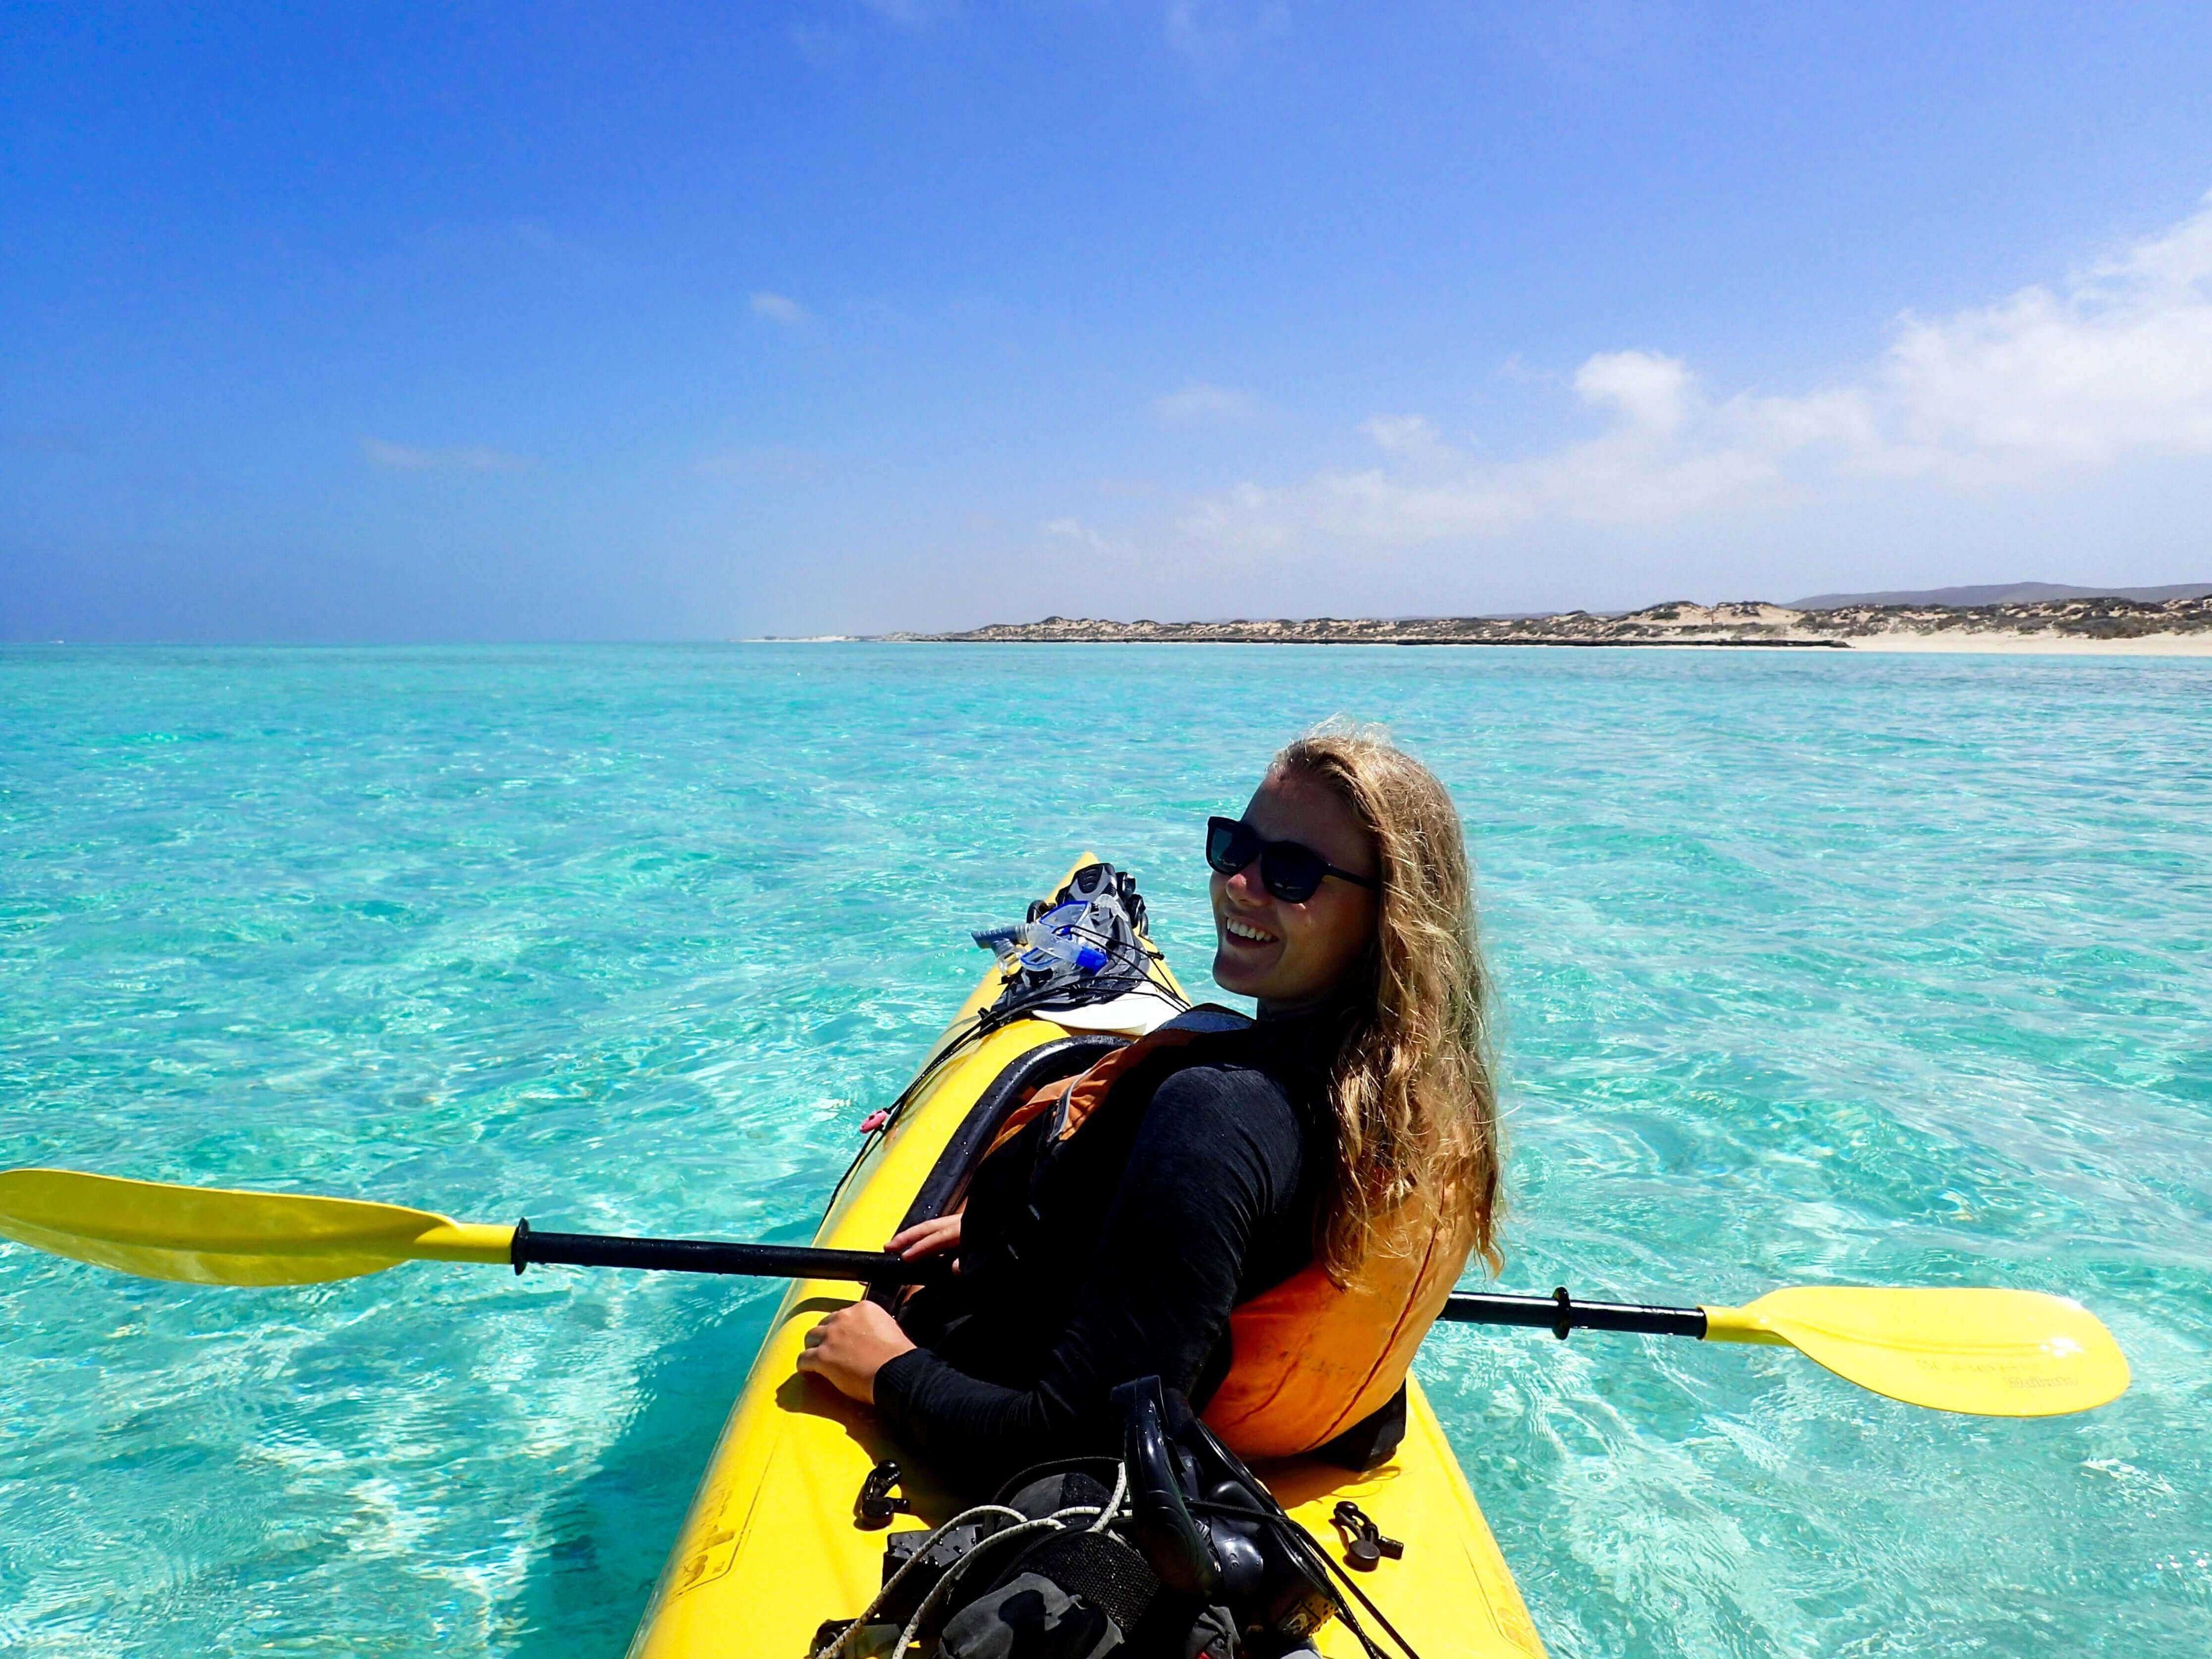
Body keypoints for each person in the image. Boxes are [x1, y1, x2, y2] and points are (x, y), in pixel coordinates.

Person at [797, 726, 1502, 1488]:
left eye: (1292, 872)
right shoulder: (1406, 1104)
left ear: (1389, 917)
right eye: (1235, 847)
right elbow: (1232, 1238)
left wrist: (887, 1369)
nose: (1240, 885)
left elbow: (1087, 1445)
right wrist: (1021, 1226)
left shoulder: (1220, 1117)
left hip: (1013, 1414)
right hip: (1307, 1436)